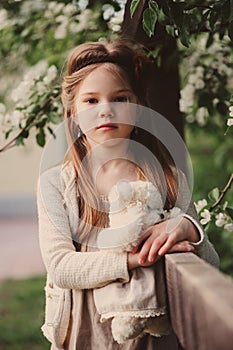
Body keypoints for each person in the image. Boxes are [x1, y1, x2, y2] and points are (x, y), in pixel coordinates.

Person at [37, 40, 219, 350]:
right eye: (91, 101)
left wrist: (189, 228)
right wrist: (131, 260)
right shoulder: (56, 183)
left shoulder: (167, 178)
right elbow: (61, 266)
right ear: (73, 112)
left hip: (152, 339)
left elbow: (210, 264)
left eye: (119, 98)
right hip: (87, 335)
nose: (106, 109)